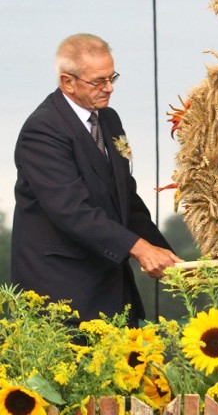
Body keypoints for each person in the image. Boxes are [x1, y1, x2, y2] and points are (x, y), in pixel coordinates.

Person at [11, 33, 183, 326]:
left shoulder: (109, 120)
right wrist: (140, 249)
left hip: (110, 286)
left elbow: (126, 201)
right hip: (62, 295)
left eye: (112, 77)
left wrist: (172, 260)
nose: (109, 88)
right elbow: (71, 211)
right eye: (98, 81)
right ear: (68, 82)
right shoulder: (42, 131)